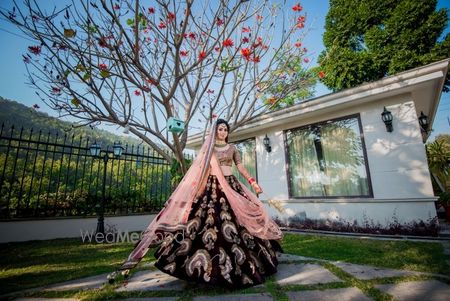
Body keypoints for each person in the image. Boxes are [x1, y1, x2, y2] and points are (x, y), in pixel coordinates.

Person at [111, 119, 283, 288]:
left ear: (228, 132)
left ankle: (252, 261)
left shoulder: (233, 148)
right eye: (220, 129)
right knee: (206, 220)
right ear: (214, 131)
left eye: (225, 129)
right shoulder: (208, 150)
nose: (222, 132)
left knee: (240, 221)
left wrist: (252, 182)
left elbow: (240, 167)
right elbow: (202, 171)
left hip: (231, 185)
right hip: (212, 187)